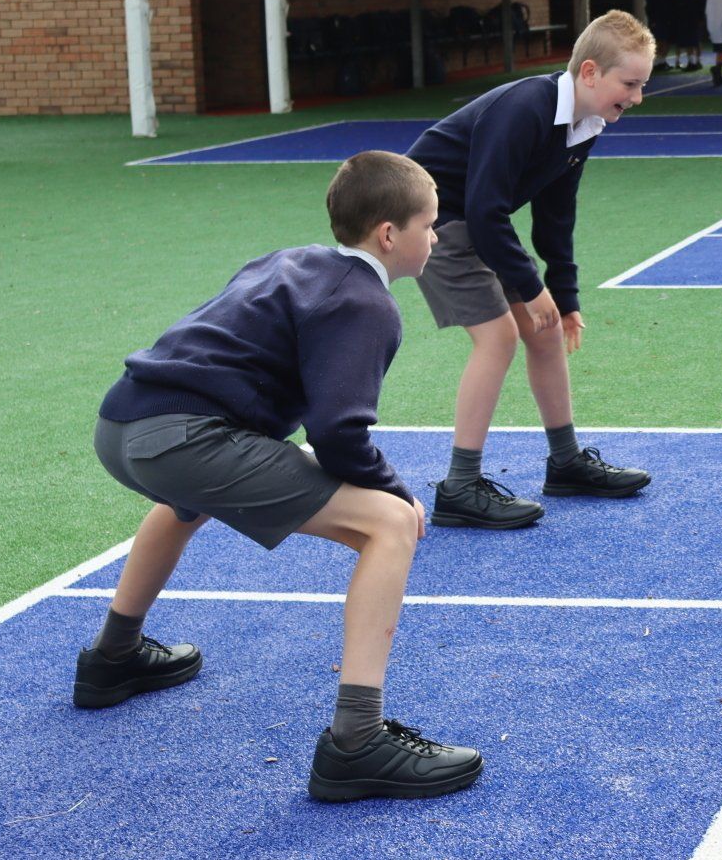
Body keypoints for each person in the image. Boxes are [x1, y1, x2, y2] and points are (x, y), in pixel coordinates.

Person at [81, 151, 485, 802]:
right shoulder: (367, 303)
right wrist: (398, 491)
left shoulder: (291, 260)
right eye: (429, 225)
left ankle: (113, 657)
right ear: (389, 234)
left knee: (189, 500)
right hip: (182, 440)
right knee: (389, 524)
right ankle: (357, 741)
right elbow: (338, 433)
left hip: (122, 425)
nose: (436, 237)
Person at [406, 11, 655, 529]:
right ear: (590, 73)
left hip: (477, 219)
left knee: (545, 330)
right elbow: (485, 210)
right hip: (430, 221)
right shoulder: (525, 109)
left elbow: (556, 215)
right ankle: (460, 485)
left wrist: (564, 295)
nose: (637, 97)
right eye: (630, 84)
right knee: (498, 338)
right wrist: (530, 286)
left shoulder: (584, 124)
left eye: (642, 85)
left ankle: (566, 463)